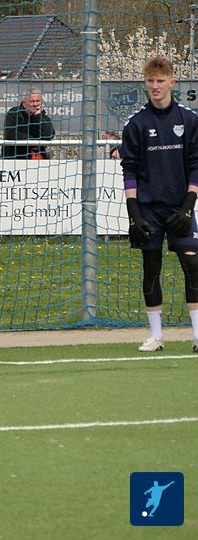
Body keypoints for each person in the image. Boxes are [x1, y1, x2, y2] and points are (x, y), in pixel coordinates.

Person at [120, 56, 198, 353]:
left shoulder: (189, 120)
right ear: (146, 83)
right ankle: (156, 336)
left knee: (193, 265)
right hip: (148, 209)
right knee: (151, 267)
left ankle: (197, 334)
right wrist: (134, 214)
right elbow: (129, 170)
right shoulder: (136, 123)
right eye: (150, 81)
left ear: (172, 83)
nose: (155, 86)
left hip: (180, 207)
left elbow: (195, 165)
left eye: (161, 81)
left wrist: (189, 205)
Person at [2, 88, 55, 159]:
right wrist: (34, 143)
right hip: (15, 157)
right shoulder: (14, 113)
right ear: (24, 103)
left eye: (38, 101)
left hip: (38, 158)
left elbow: (49, 135)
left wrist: (38, 116)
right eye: (32, 101)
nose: (35, 104)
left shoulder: (42, 115)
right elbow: (10, 133)